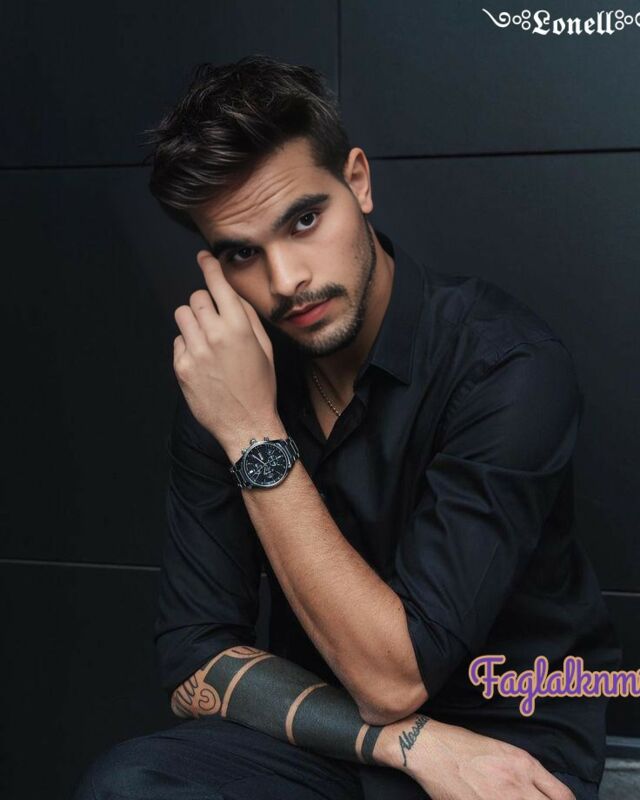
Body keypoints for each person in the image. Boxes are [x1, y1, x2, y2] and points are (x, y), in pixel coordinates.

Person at [73, 54, 622, 800]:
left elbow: (395, 678)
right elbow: (195, 658)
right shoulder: (231, 386)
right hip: (325, 731)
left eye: (304, 220)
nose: (287, 280)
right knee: (130, 783)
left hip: (506, 741)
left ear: (357, 181)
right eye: (243, 253)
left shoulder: (506, 366)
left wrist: (254, 437)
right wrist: (409, 745)